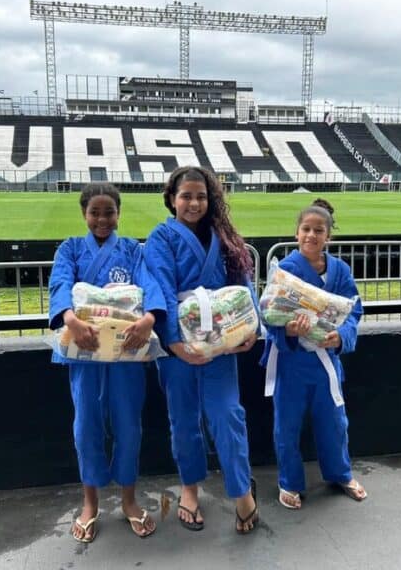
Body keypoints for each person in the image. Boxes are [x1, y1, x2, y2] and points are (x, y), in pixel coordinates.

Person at [144, 166, 260, 534]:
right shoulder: (161, 237)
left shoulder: (224, 238)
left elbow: (243, 283)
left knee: (228, 415)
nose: (194, 203)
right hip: (178, 345)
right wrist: (174, 340)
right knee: (184, 420)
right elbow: (159, 287)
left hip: (221, 342)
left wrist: (251, 327)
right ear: (171, 199)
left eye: (201, 196)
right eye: (186, 196)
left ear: (210, 200)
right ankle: (190, 488)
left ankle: (242, 493)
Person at [48, 183, 166, 543]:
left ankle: (129, 501)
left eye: (109, 212)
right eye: (95, 212)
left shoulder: (132, 250)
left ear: (119, 213)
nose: (102, 219)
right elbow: (60, 284)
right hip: (85, 351)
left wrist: (148, 320)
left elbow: (150, 285)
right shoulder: (69, 248)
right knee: (86, 427)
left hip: (126, 353)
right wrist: (69, 319)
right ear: (84, 214)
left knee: (129, 427)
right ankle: (90, 503)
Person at [260, 198, 367, 510]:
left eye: (318, 230)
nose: (311, 235)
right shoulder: (286, 269)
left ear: (328, 236)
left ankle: (340, 473)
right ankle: (289, 483)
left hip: (325, 362)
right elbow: (267, 312)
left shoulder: (341, 270)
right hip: (290, 364)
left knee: (335, 423)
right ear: (296, 234)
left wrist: (341, 337)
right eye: (305, 229)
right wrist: (288, 331)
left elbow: (354, 310)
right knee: (287, 426)